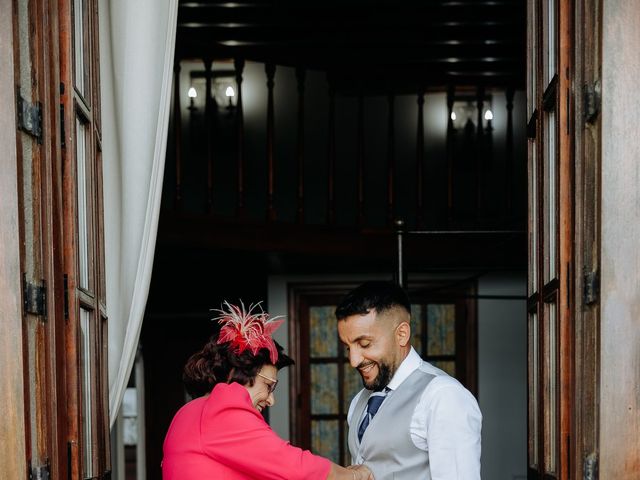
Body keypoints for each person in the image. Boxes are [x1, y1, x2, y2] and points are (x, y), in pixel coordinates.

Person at [162, 301, 374, 480]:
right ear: (239, 373)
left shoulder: (189, 411)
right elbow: (292, 465)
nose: (271, 400)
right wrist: (352, 475)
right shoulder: (223, 406)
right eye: (268, 386)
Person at [336, 281, 482, 480]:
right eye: (348, 347)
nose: (353, 360)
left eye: (364, 344)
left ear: (402, 334)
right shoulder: (359, 401)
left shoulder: (443, 396)